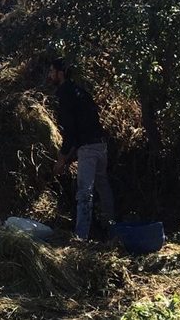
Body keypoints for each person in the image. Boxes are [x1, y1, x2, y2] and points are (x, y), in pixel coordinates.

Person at [49, 58, 115, 240]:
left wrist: (62, 157)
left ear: (60, 74)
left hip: (88, 149)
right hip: (100, 145)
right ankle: (111, 229)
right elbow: (83, 125)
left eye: (52, 71)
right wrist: (71, 155)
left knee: (85, 191)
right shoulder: (81, 92)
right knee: (103, 186)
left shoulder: (64, 93)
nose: (50, 75)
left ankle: (81, 237)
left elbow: (70, 130)